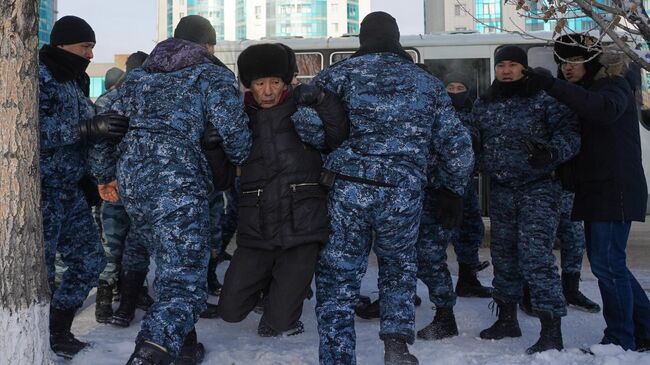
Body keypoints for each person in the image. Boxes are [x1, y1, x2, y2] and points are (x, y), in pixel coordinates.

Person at [310, 12, 473, 364]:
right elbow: (457, 145)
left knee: (339, 275)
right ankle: (397, 349)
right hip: (403, 192)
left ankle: (337, 357)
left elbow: (308, 127)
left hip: (349, 189)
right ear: (397, 39)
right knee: (399, 268)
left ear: (361, 39)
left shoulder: (337, 76)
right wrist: (453, 190)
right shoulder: (426, 83)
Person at [96, 15, 252, 364]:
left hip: (135, 188)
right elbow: (237, 137)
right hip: (178, 188)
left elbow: (110, 131)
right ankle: (150, 354)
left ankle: (182, 346)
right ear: (207, 46)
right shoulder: (211, 75)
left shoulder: (137, 78)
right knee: (184, 282)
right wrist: (238, 157)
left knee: (171, 268)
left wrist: (104, 175)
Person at [524, 33, 650, 351]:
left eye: (575, 60)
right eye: (563, 62)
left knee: (608, 264)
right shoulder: (588, 88)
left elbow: (603, 110)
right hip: (596, 189)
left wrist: (552, 85)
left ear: (591, 60)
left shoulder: (613, 85)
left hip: (615, 188)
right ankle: (645, 328)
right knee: (607, 264)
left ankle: (620, 338)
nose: (567, 68)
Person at [217, 43, 349, 337]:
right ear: (248, 84)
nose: (267, 91)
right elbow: (222, 176)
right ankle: (274, 288)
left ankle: (285, 303)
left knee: (278, 323)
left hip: (302, 226)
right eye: (259, 83)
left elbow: (337, 137)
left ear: (285, 81)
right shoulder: (238, 118)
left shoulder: (303, 110)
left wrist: (323, 100)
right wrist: (213, 146)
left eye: (274, 82)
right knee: (229, 311)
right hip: (257, 229)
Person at [473, 45, 580, 354]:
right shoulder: (485, 103)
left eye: (512, 64)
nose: (506, 70)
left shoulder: (544, 99)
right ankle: (507, 319)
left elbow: (571, 136)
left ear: (524, 67)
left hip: (539, 189)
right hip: (502, 190)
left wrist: (551, 153)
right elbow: (477, 140)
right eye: (501, 65)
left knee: (536, 258)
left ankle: (551, 331)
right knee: (504, 256)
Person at [38, 15, 129, 358]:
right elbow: (31, 133)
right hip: (43, 192)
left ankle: (56, 329)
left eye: (92, 47)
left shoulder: (74, 81)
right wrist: (87, 129)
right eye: (85, 46)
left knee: (91, 260)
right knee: (41, 274)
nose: (90, 54)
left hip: (71, 191)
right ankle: (35, 336)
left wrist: (93, 178)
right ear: (63, 45)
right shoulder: (39, 76)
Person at [91, 51, 153, 326]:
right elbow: (98, 146)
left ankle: (132, 292)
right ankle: (107, 295)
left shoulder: (112, 99)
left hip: (128, 185)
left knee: (126, 243)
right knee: (118, 243)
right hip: (123, 185)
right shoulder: (114, 101)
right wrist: (104, 179)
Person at [442, 72, 492, 298]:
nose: (454, 92)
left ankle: (467, 280)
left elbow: (483, 144)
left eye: (459, 88)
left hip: (466, 185)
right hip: (439, 186)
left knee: (470, 230)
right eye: (450, 88)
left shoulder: (475, 114)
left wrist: (478, 165)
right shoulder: (436, 113)